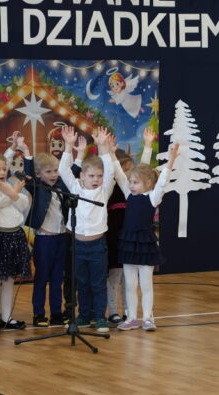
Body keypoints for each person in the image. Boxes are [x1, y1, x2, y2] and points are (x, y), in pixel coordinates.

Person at [113, 144, 179, 330]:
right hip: (129, 244)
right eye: (131, 182)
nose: (131, 185)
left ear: (148, 184)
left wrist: (171, 162)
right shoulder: (129, 194)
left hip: (145, 245)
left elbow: (163, 182)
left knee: (146, 284)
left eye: (135, 182)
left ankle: (148, 318)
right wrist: (110, 152)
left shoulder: (152, 197)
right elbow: (119, 174)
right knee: (130, 284)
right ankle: (132, 318)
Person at [58, 126, 115, 333]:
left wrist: (103, 147)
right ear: (82, 176)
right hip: (78, 245)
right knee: (82, 283)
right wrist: (68, 146)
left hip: (97, 245)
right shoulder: (75, 188)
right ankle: (83, 315)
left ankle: (99, 317)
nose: (96, 180)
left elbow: (110, 171)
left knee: (98, 283)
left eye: (99, 176)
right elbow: (63, 171)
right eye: (91, 176)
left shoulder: (104, 191)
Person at [0, 144, 32, 332]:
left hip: (14, 235)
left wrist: (13, 192)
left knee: (10, 279)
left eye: (4, 169)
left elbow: (23, 204)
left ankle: (7, 316)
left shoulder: (9, 186)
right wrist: (14, 192)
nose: (2, 172)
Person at [24, 148, 70, 328]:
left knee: (58, 278)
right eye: (48, 171)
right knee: (42, 278)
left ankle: (56, 313)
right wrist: (27, 154)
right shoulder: (36, 187)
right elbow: (28, 175)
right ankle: (39, 313)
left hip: (61, 238)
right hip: (44, 240)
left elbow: (72, 172)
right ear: (38, 174)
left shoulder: (61, 187)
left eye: (55, 170)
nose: (53, 175)